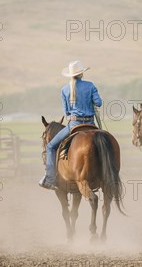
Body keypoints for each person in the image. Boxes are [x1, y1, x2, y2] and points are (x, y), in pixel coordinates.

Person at [39, 60, 102, 190]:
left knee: (50, 146)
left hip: (74, 124)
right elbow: (99, 103)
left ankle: (50, 179)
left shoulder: (65, 90)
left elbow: (67, 112)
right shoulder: (90, 85)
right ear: (82, 73)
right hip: (91, 124)